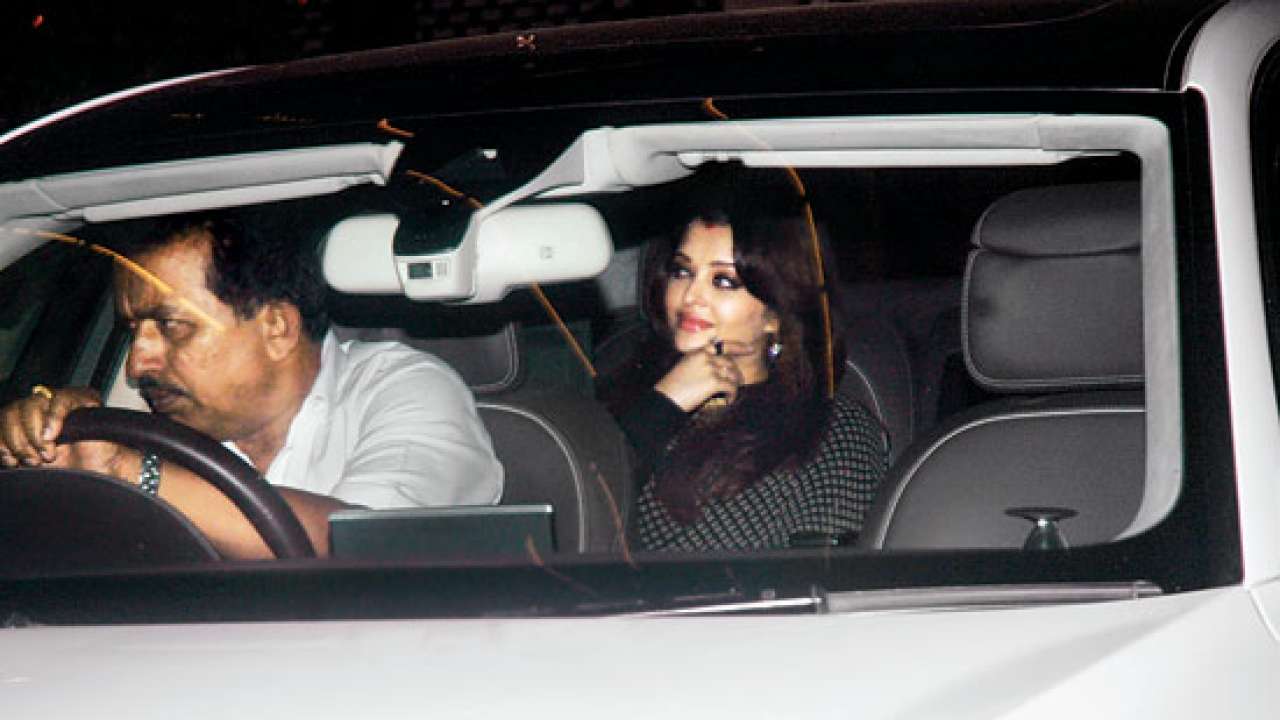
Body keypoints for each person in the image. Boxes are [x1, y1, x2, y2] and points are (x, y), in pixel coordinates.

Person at [0, 212, 503, 559]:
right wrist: (51, 440)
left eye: (172, 325)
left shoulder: (407, 388)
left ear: (276, 328)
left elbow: (365, 546)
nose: (136, 364)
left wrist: (127, 471)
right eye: (133, 331)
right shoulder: (155, 418)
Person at [599, 168, 888, 551]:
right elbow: (581, 513)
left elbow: (826, 571)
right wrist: (664, 404)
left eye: (723, 281)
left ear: (776, 313)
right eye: (683, 271)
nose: (690, 296)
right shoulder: (620, 392)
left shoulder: (830, 431)